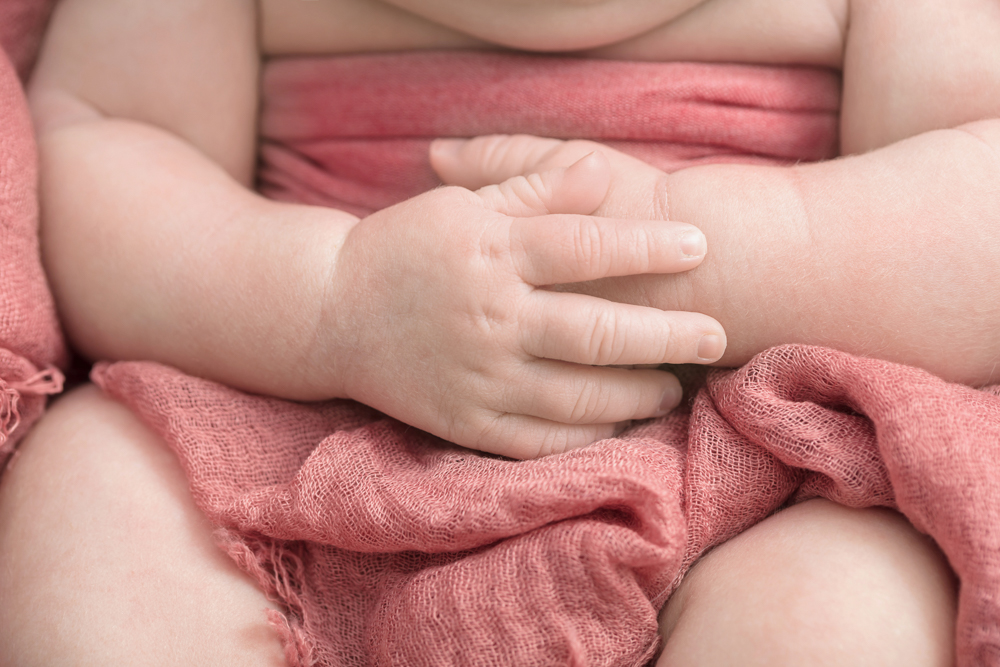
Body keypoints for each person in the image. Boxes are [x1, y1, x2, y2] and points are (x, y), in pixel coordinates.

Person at [2, 0, 995, 663]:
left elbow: (974, 201)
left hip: (746, 457)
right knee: (96, 494)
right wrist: (330, 304)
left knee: (845, 597)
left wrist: (701, 257)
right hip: (290, 423)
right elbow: (105, 142)